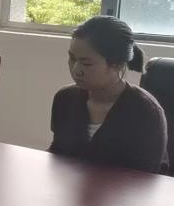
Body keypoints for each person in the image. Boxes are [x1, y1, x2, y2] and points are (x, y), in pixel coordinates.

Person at [49, 15, 168, 174]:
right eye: (72, 58)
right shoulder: (65, 99)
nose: (76, 69)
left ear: (117, 64)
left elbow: (145, 178)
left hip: (128, 189)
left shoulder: (146, 112)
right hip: (72, 187)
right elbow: (57, 155)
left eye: (86, 63)